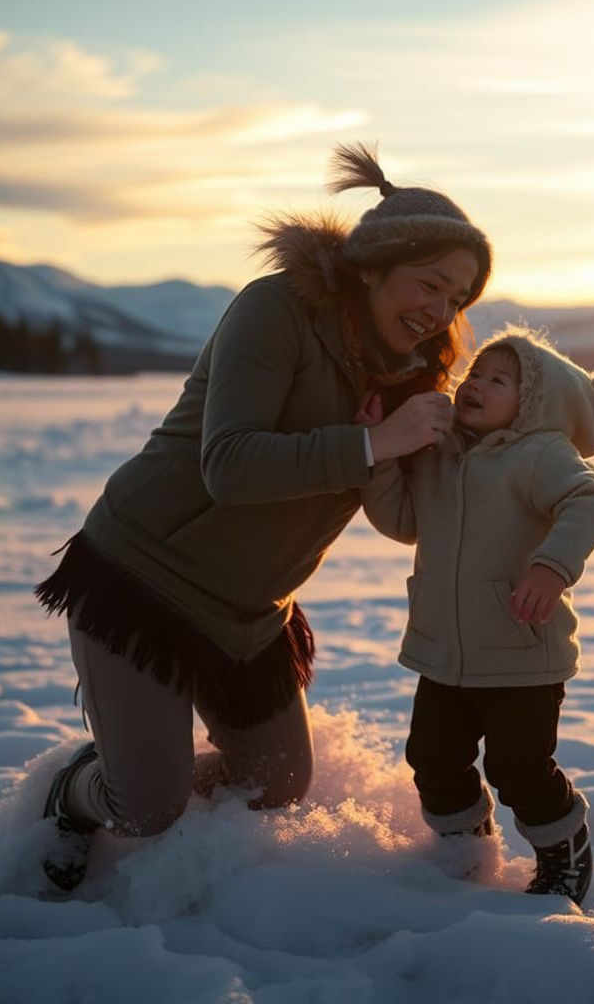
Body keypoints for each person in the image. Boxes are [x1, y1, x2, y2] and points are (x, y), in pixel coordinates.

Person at [34, 141, 492, 891]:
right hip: (142, 578)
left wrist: (492, 475)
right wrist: (372, 442)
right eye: (430, 285)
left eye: (457, 299)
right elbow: (231, 465)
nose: (440, 311)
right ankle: (80, 791)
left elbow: (401, 518)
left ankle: (152, 777)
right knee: (144, 809)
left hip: (251, 612)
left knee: (277, 782)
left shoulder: (414, 377)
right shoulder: (274, 309)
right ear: (372, 265)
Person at [360, 327, 594, 904]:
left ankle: (563, 849)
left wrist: (551, 567)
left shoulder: (541, 453)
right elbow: (404, 520)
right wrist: (379, 454)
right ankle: (465, 847)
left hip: (520, 652)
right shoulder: (440, 451)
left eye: (498, 380)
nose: (475, 384)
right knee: (431, 759)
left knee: (518, 767)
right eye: (475, 373)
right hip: (443, 650)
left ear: (532, 404)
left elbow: (589, 500)